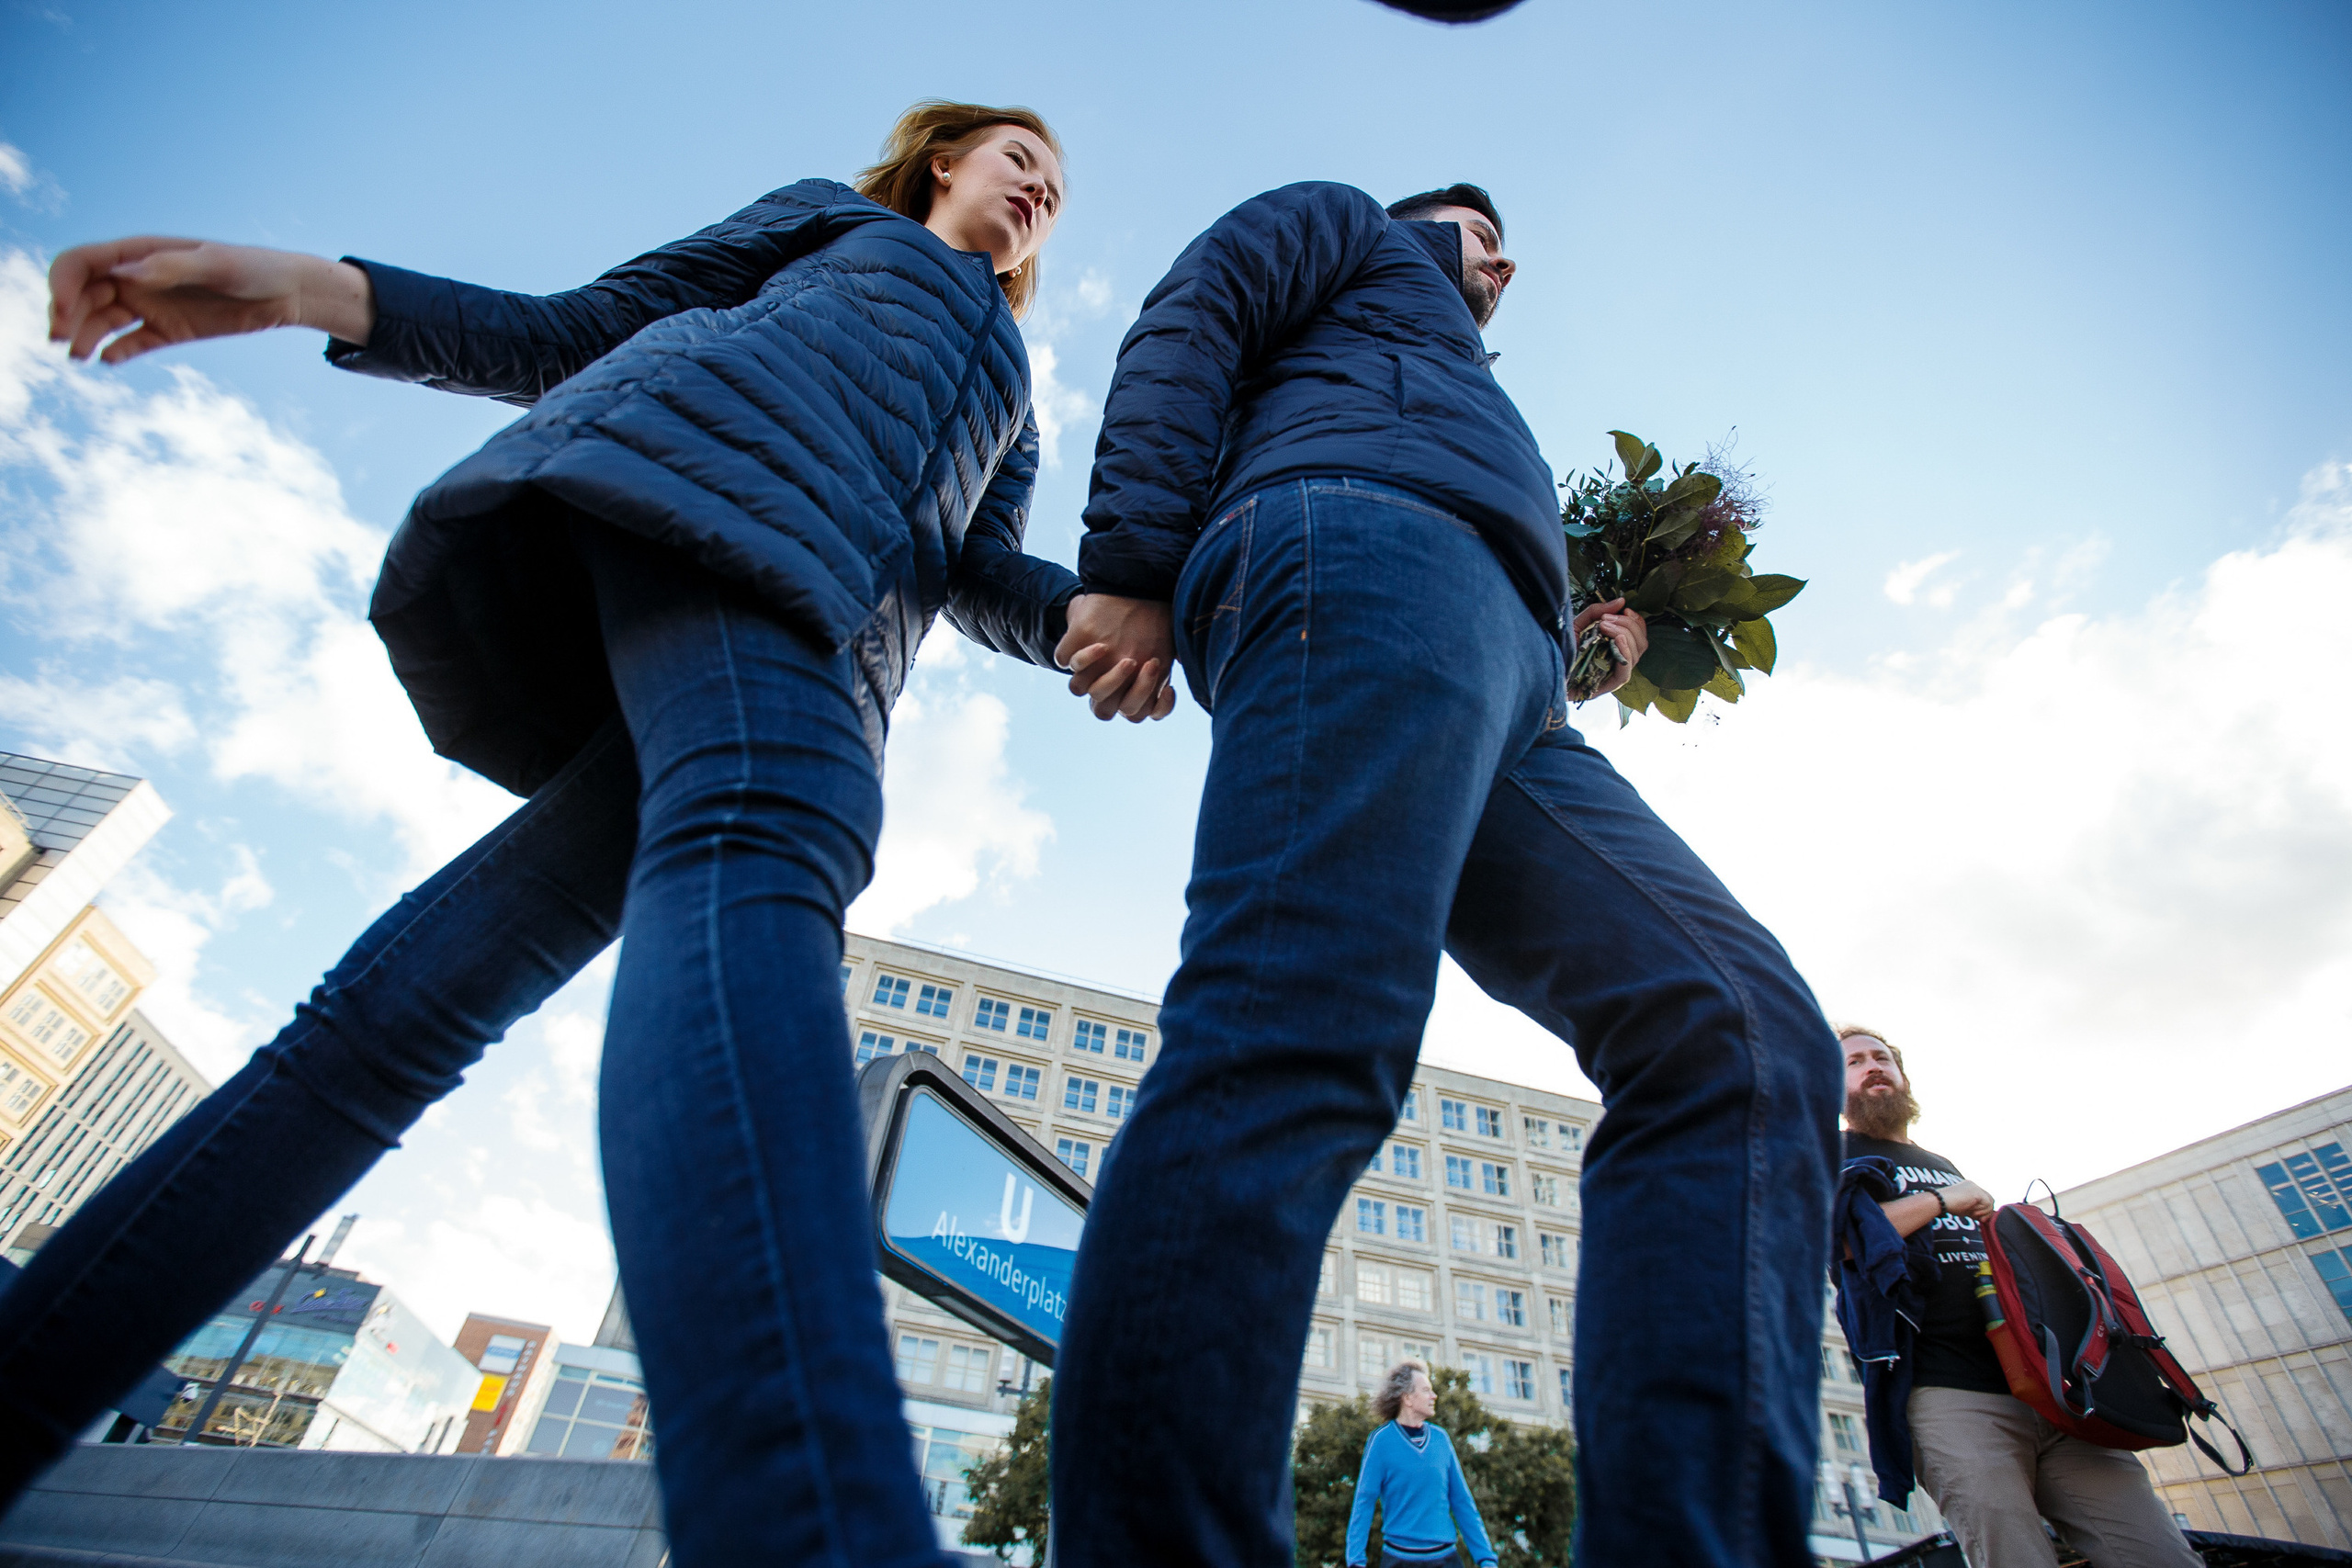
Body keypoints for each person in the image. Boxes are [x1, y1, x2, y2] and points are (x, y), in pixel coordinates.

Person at [2, 101, 1145, 1566]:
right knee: (775, 829)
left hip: (812, 643)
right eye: (1020, 156)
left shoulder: (1014, 393)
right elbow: (583, 329)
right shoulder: (836, 221)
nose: (1043, 186)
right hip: (697, 508)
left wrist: (1085, 615)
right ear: (944, 160)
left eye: (1060, 186)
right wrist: (304, 288)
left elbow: (971, 571)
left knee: (391, 1027)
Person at [1049, 180, 1843, 1567]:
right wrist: (1130, 556)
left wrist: (1582, 649)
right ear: (1422, 219)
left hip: (1512, 673)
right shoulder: (1347, 226)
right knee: (1297, 1029)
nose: (1502, 262)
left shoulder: (1458, 374)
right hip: (1362, 544)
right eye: (1480, 233)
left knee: (1739, 1028)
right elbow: (1194, 311)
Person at [1834, 1026, 2200, 1568]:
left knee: (2158, 1554)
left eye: (1882, 1058)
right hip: (1950, 1395)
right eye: (1855, 1062)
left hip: (2049, 1385)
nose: (1873, 1067)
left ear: (1902, 1075)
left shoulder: (1940, 1160)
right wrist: (1943, 1200)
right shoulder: (1829, 1155)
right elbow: (1838, 1239)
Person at [1346, 1362, 1499, 1568]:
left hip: (1446, 1560)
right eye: (1426, 1390)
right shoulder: (1381, 1441)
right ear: (1407, 1398)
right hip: (1399, 1561)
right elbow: (1364, 1502)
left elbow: (1462, 1501)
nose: (1434, 1396)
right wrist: (1355, 1561)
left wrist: (1486, 1559)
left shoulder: (1441, 1439)